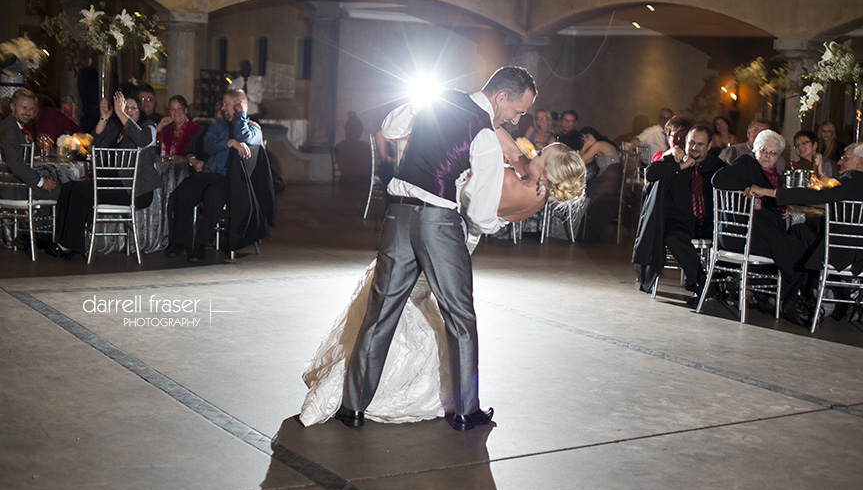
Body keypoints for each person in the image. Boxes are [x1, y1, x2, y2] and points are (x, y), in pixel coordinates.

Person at [299, 139, 585, 427]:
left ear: (545, 173)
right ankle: (460, 405)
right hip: (460, 241)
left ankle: (354, 397)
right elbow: (514, 174)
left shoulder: (509, 179)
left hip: (441, 233)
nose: (533, 153)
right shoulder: (538, 197)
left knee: (397, 311)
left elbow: (469, 199)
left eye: (541, 154)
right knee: (425, 311)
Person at [332, 66, 536, 432]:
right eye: (517, 111)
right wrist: (498, 224)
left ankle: (353, 407)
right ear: (501, 96)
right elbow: (480, 212)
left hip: (397, 216)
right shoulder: (485, 136)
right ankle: (466, 411)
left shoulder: (439, 100)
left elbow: (390, 128)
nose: (516, 120)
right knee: (461, 318)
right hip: (439, 223)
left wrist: (423, 102)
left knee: (381, 313)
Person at [711, 130, 812, 324]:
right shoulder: (746, 164)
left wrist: (782, 210)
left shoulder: (773, 175)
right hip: (740, 233)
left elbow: (769, 203)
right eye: (764, 150)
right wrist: (747, 192)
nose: (767, 156)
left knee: (801, 250)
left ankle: (772, 297)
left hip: (758, 231)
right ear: (755, 150)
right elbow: (718, 179)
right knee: (799, 252)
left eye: (773, 153)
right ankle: (776, 298)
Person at [46, 91, 161, 260]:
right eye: (125, 107)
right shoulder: (116, 127)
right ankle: (63, 240)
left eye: (133, 108)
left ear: (141, 111)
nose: (128, 111)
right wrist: (104, 118)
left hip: (135, 190)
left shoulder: (148, 126)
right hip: (111, 183)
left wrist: (121, 113)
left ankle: (69, 245)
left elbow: (142, 139)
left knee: (81, 191)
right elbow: (94, 145)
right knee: (69, 187)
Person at [746, 142, 863, 275]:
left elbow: (812, 196)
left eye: (845, 158)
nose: (839, 162)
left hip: (845, 254)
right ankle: (816, 289)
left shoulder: (853, 184)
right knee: (808, 240)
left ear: (861, 162)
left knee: (798, 231)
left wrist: (766, 192)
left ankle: (789, 288)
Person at [165, 88, 263, 262]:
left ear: (239, 104)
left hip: (231, 180)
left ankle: (201, 246)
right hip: (209, 174)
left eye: (226, 104)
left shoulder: (253, 130)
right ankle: (178, 242)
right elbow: (208, 146)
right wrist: (229, 143)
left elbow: (243, 136)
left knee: (214, 194)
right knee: (183, 192)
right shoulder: (217, 125)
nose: (222, 107)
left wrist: (240, 116)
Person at [643, 125, 725, 305]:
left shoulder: (717, 166)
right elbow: (650, 173)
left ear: (709, 146)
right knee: (672, 237)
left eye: (700, 144)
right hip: (680, 222)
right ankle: (703, 283)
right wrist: (681, 166)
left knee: (728, 238)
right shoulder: (675, 160)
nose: (694, 147)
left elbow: (736, 182)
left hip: (708, 223)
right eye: (691, 143)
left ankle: (720, 286)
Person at [0, 89, 58, 200]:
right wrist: (41, 182)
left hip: (19, 186)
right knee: (69, 193)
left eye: (31, 109)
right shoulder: (9, 129)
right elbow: (16, 164)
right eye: (24, 108)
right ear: (12, 107)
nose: (28, 113)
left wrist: (42, 179)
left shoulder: (13, 126)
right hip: (16, 189)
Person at [718, 118, 786, 173]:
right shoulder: (732, 151)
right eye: (755, 130)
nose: (758, 134)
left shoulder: (776, 159)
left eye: (763, 132)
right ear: (748, 133)